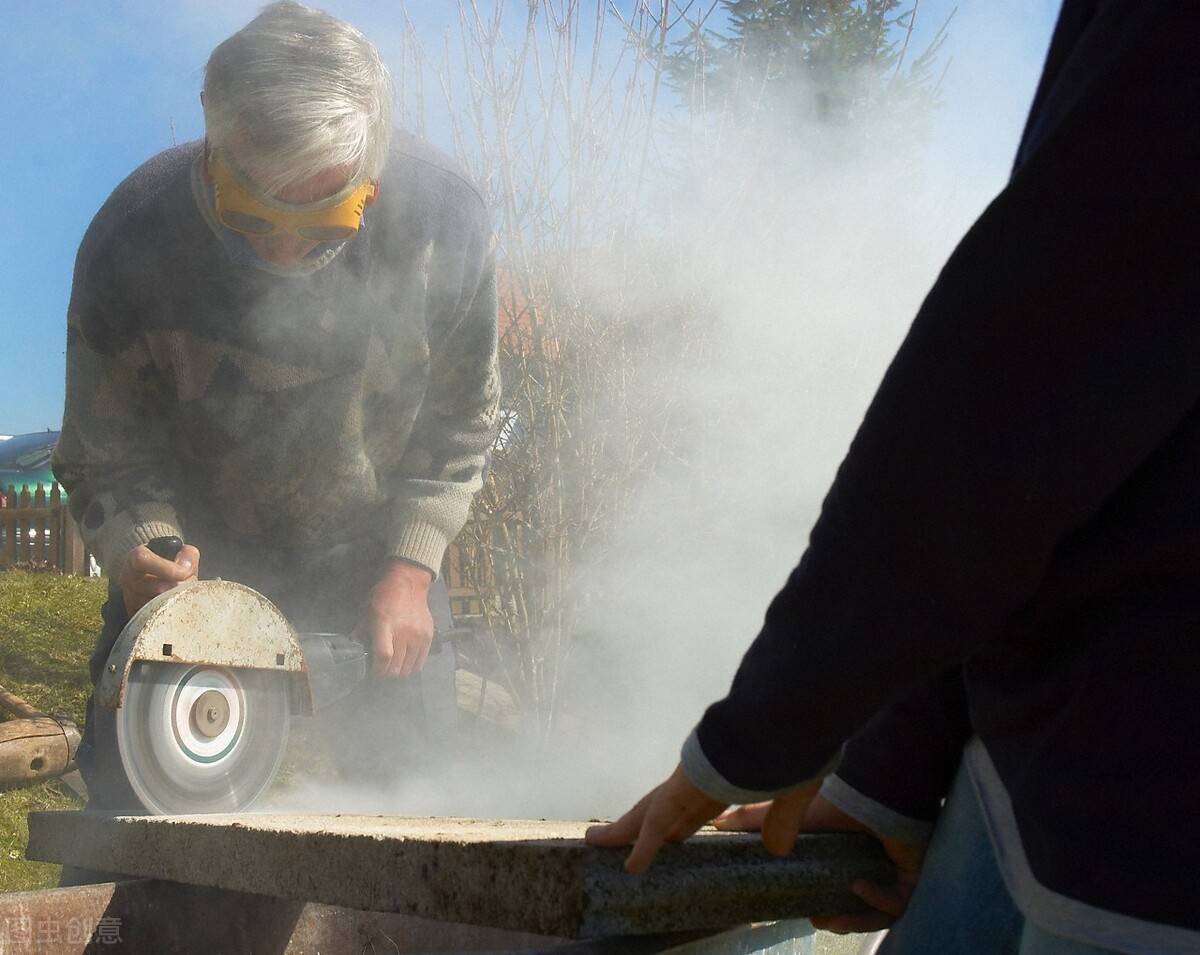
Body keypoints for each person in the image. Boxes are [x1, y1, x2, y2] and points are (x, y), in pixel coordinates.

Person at [587, 2, 1200, 952]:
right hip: (1038, 771)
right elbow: (1071, 444)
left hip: (1149, 834)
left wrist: (773, 725)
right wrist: (892, 774)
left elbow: (1021, 386)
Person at [53, 2, 498, 815]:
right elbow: (104, 448)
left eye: (325, 220)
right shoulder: (131, 238)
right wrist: (144, 555)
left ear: (376, 163)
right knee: (133, 817)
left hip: (374, 554)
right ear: (214, 145)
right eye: (253, 216)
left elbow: (461, 423)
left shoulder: (445, 224)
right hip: (196, 556)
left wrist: (409, 566)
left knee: (418, 826)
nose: (285, 253)